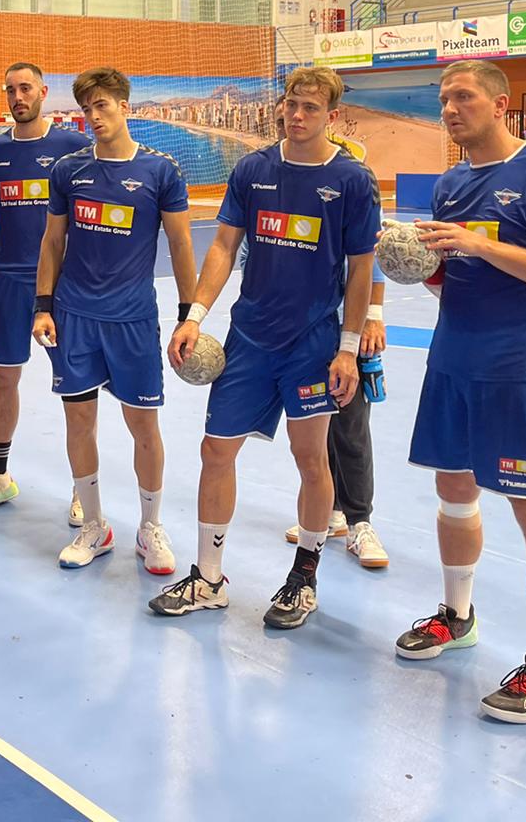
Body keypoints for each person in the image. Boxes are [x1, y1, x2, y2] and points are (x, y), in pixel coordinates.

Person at [393, 60, 526, 723]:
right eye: (443, 99)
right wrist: (420, 266)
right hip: (452, 362)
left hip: (518, 368)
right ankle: (457, 616)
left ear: (501, 104)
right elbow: (455, 275)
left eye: (464, 96)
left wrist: (478, 250)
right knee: (453, 491)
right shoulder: (451, 184)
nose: (450, 108)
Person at [150, 66, 377, 627]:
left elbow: (360, 269)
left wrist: (348, 347)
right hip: (249, 338)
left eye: (310, 108)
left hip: (313, 343)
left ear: (332, 116)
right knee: (215, 450)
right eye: (291, 104)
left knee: (310, 457)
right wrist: (195, 315)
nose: (297, 116)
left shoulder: (350, 181)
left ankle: (304, 577)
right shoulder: (253, 168)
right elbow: (224, 245)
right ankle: (208, 578)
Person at [33, 66, 196, 575]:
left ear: (126, 107)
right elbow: (52, 242)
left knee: (143, 424)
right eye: (87, 108)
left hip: (132, 317)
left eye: (103, 106)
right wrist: (42, 305)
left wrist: (189, 314)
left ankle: (150, 527)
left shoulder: (160, 171)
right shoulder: (69, 170)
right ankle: (95, 526)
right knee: (78, 421)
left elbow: (181, 244)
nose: (94, 116)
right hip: (75, 314)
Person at [0, 62, 90, 513]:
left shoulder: (75, 147)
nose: (18, 97)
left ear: (42, 91)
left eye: (25, 88)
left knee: (75, 387)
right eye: (10, 90)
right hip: (9, 281)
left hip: (61, 286)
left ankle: (84, 491)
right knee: (3, 377)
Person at [283, 133, 390, 570]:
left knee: (350, 424)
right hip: (308, 328)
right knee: (315, 426)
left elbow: (372, 261)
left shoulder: (357, 187)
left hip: (349, 327)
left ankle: (361, 521)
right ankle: (329, 514)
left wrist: (374, 316)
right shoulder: (291, 190)